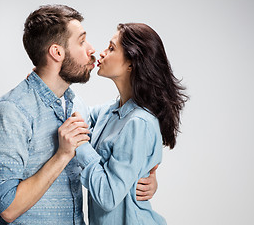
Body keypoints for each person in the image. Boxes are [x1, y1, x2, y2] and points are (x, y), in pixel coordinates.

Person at [0, 5, 158, 225]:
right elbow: (7, 208)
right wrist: (62, 155)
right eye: (82, 41)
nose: (92, 49)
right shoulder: (11, 111)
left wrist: (143, 174)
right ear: (57, 53)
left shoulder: (74, 104)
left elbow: (124, 129)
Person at [72, 23, 188, 224]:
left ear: (131, 63)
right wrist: (48, 81)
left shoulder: (139, 123)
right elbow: (77, 114)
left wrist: (80, 145)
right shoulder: (110, 111)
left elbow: (108, 196)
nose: (101, 53)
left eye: (111, 48)